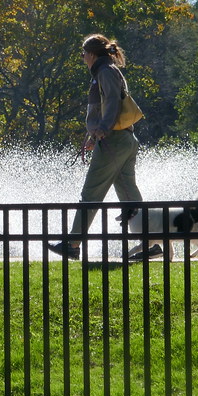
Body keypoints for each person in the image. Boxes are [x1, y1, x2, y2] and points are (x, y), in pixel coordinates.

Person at [48, 34, 156, 259]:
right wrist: (94, 135)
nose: (82, 58)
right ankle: (151, 244)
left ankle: (73, 244)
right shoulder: (107, 70)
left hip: (113, 141)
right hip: (124, 139)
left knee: (90, 194)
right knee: (129, 196)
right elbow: (108, 105)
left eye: (83, 53)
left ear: (91, 53)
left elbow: (113, 103)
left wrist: (102, 130)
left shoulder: (105, 71)